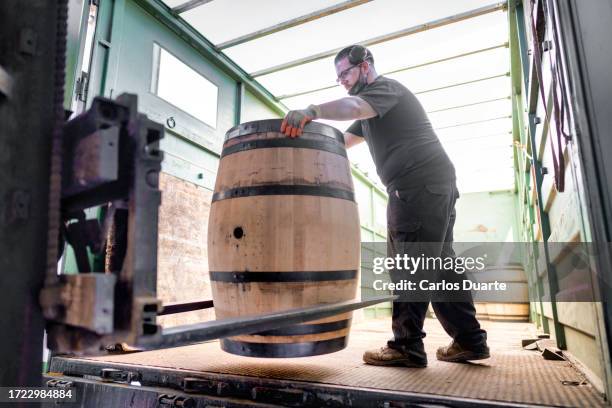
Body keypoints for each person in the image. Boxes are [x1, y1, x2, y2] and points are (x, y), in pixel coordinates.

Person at [280, 45, 489, 368]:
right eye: (338, 78)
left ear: (365, 66)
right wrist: (305, 140)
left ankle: (407, 346)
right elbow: (342, 140)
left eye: (345, 74)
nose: (343, 82)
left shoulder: (384, 90)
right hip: (434, 184)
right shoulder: (369, 112)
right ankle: (470, 341)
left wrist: (311, 110)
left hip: (416, 186)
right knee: (441, 264)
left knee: (410, 261)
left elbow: (351, 106)